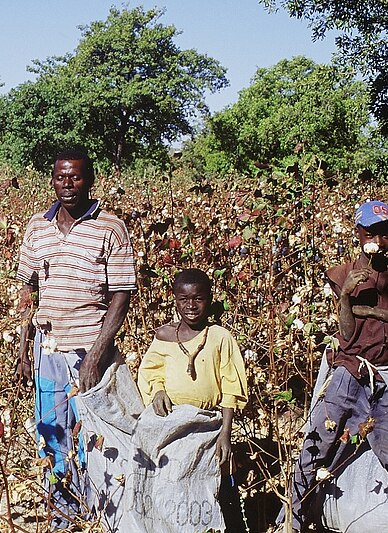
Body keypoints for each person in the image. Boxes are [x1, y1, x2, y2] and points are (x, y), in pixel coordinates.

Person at [290, 200, 388, 533]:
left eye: (386, 233)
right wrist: (346, 298)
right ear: (358, 233)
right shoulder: (343, 275)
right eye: (373, 233)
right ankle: (291, 522)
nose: (380, 240)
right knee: (317, 445)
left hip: (385, 374)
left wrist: (374, 312)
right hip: (349, 373)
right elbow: (348, 334)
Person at [15, 149, 137, 529]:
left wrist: (97, 353)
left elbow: (122, 295)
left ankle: (96, 510)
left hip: (88, 349)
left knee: (91, 434)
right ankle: (63, 514)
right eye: (61, 177)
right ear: (52, 180)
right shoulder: (37, 226)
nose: (68, 185)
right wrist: (24, 348)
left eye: (76, 177)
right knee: (52, 430)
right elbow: (27, 291)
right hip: (46, 350)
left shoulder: (110, 227)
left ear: (91, 179)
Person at [137, 268, 248, 473]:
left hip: (209, 425)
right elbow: (152, 371)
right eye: (184, 299)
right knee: (170, 478)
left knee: (209, 480)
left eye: (198, 298)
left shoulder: (220, 337)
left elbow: (230, 388)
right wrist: (158, 390)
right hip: (171, 423)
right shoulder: (165, 335)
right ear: (175, 301)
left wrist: (225, 433)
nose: (191, 306)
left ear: (210, 299)